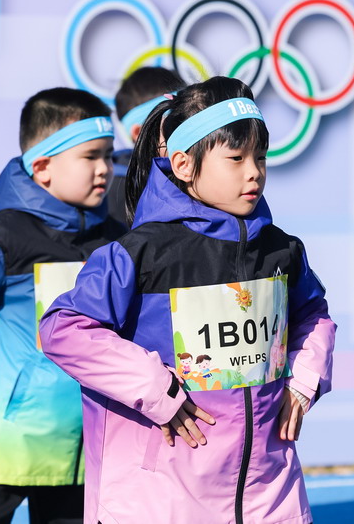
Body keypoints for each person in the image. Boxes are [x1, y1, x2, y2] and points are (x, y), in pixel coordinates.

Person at [40, 76, 336, 523]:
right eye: (235, 158)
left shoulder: (282, 250)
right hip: (160, 499)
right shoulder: (139, 253)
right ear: (182, 164)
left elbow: (313, 315)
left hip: (270, 495)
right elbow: (63, 329)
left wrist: (303, 379)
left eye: (260, 156)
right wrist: (154, 388)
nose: (254, 171)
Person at [0, 87, 126, 523]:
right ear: (42, 167)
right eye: (90, 156)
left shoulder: (115, 238)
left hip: (87, 451)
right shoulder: (1, 235)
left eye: (108, 155)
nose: (105, 169)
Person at [108, 66, 185, 225]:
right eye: (175, 123)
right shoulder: (116, 194)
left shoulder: (201, 171)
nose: (187, 129)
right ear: (139, 133)